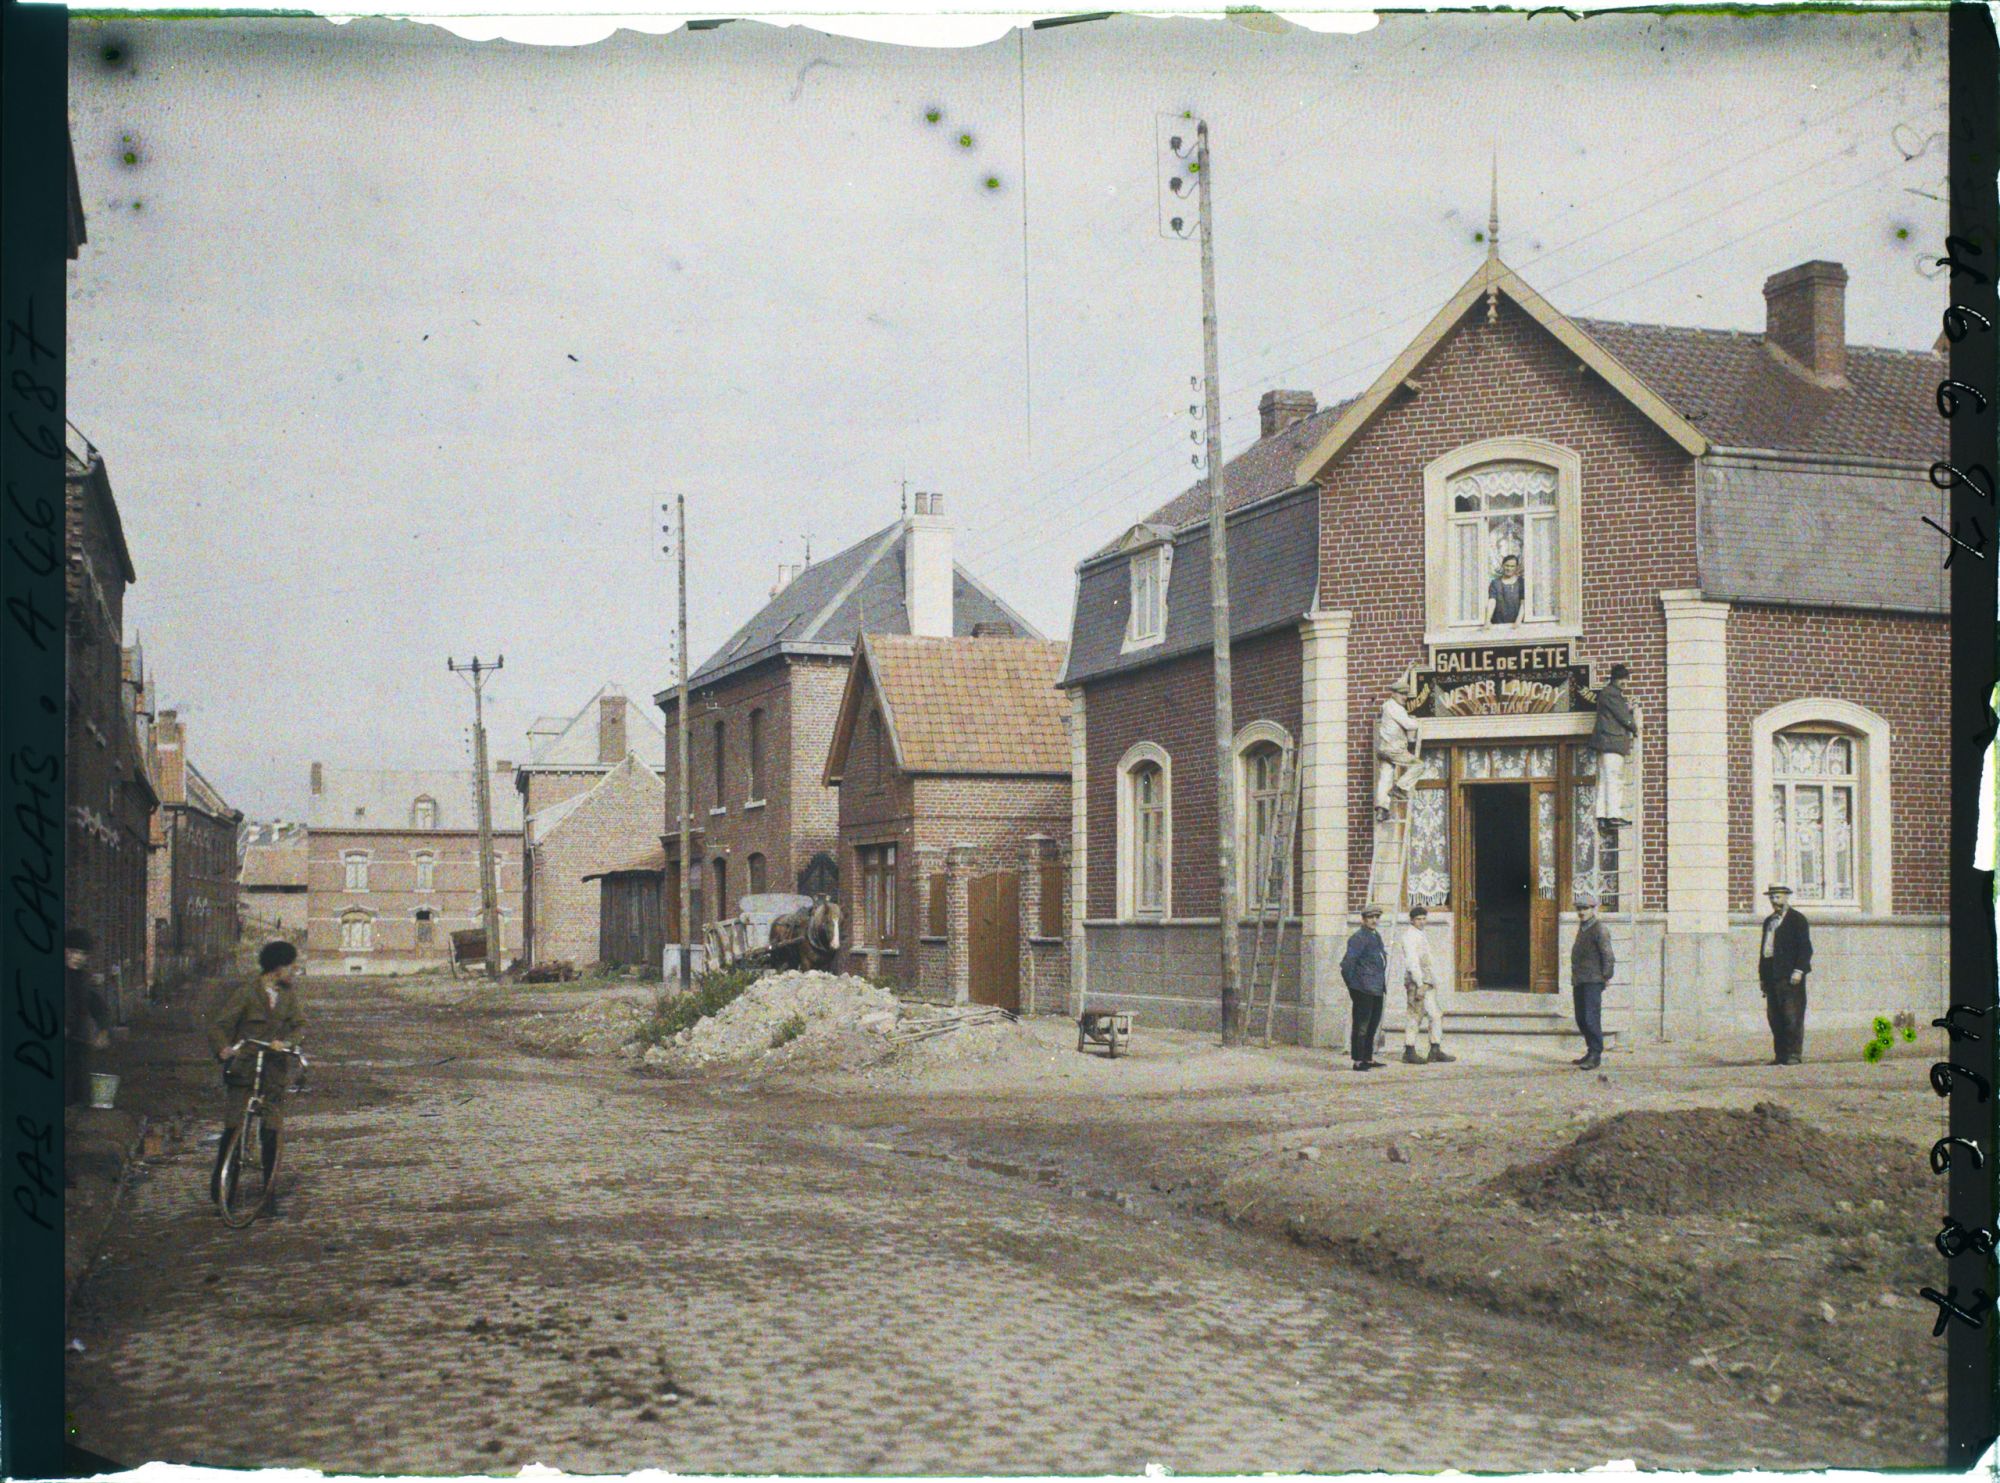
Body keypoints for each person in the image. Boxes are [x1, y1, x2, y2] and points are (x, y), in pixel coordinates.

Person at [207, 940, 306, 1210]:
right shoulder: (247, 993)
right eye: (290, 966)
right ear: (277, 968)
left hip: (274, 1071)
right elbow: (220, 1025)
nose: (294, 971)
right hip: (246, 1069)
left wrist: (286, 1043)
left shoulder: (288, 996)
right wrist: (223, 1049)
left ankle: (268, 1195)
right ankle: (223, 1191)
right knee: (235, 1127)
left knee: (271, 1130)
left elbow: (299, 1026)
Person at [1758, 884, 1813, 1065]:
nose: (1775, 901)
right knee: (1775, 1017)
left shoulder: (1797, 920)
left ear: (1787, 897)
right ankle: (1780, 1055)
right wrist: (1762, 977)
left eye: (1778, 897)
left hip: (1790, 976)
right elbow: (1765, 950)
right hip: (1772, 975)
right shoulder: (1769, 921)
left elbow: (1805, 948)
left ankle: (1793, 1055)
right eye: (1772, 898)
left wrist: (1799, 970)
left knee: (1792, 1016)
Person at [1584, 663, 1636, 828]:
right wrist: (1634, 725)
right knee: (1614, 779)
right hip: (1612, 743)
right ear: (1619, 679)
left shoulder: (1606, 694)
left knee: (1605, 780)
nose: (1624, 683)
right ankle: (1614, 814)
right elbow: (1622, 716)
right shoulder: (1612, 694)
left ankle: (1602, 815)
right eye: (1623, 680)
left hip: (1605, 743)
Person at [64, 927, 112, 1108]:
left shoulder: (83, 979)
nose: (78, 957)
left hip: (79, 1043)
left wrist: (104, 1030)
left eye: (83, 954)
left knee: (81, 1094)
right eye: (73, 951)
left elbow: (99, 1007)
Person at [1400, 905, 1453, 1064]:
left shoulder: (1421, 934)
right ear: (1411, 920)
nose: (1421, 922)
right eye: (1418, 919)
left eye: (1424, 919)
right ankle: (1409, 1050)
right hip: (1417, 982)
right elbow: (1412, 962)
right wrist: (1420, 983)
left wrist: (1429, 981)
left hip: (1426, 981)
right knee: (1415, 1015)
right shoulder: (1409, 936)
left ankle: (1435, 1049)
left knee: (1435, 1015)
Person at [1340, 906, 1389, 1072]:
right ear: (1363, 919)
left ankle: (1368, 1057)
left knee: (1373, 1024)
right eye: (1370, 917)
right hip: (1363, 989)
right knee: (1362, 1025)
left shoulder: (1375, 936)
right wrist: (1354, 987)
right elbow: (1347, 965)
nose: (1374, 920)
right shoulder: (1358, 938)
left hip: (1376, 987)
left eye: (1377, 917)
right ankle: (1358, 1060)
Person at [1569, 895, 1614, 1071]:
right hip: (1580, 979)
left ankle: (1596, 1054)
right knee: (1581, 1018)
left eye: (1585, 908)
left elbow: (1608, 956)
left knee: (1591, 1017)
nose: (1581, 912)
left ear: (1593, 909)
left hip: (1593, 980)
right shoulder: (1583, 928)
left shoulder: (1599, 929)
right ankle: (1590, 1051)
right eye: (1579, 909)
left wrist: (1606, 976)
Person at [1374, 673, 1424, 821]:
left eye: (1406, 694)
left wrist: (1408, 671)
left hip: (1383, 750)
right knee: (1419, 765)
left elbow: (1400, 684)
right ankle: (1400, 787)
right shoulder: (1396, 708)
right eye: (1402, 694)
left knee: (1385, 778)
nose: (1405, 697)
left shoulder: (1387, 705)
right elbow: (1408, 724)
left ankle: (1382, 809)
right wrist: (1419, 723)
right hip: (1394, 749)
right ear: (1394, 694)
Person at [1485, 553, 1525, 626]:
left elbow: (1524, 603)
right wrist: (1487, 621)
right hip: (1499, 625)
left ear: (1516, 567)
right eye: (1507, 565)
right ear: (1503, 565)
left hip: (1517, 625)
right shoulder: (1495, 583)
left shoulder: (1521, 582)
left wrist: (1518, 621)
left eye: (1512, 566)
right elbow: (1492, 601)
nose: (1509, 568)